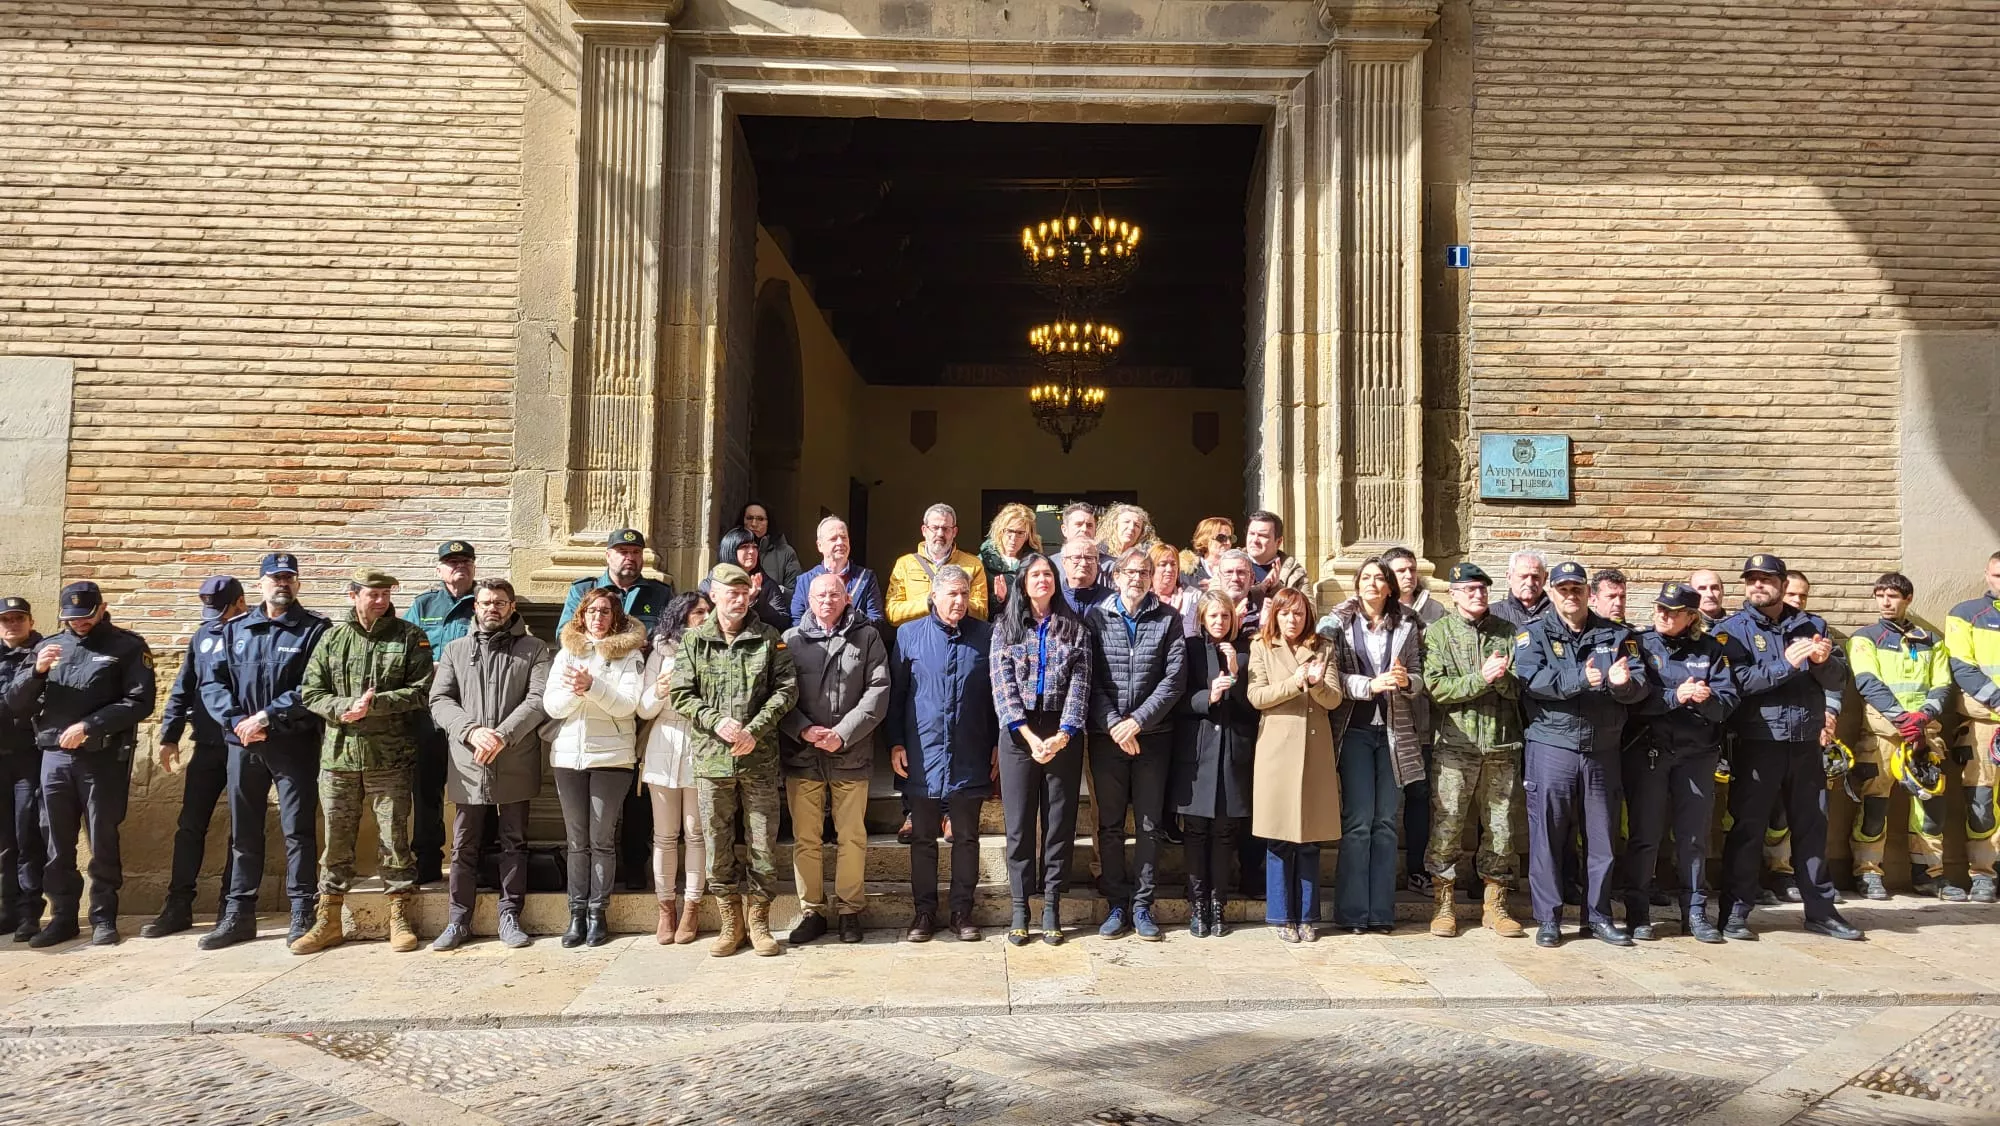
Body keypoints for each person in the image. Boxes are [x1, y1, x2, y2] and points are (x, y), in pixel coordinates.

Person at [1714, 553, 1863, 942]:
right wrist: (1787, 664)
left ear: (1783, 585)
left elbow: (1837, 679)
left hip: (1805, 744)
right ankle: (1735, 913)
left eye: (1766, 580)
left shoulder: (1812, 625)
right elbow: (1739, 682)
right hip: (1758, 743)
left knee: (1813, 829)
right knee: (1748, 830)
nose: (1757, 585)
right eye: (1751, 579)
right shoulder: (1731, 631)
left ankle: (1821, 912)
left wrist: (1823, 661)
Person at [291, 568, 436, 956]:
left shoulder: (409, 637)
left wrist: (376, 705)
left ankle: (399, 916)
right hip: (339, 757)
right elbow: (311, 692)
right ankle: (328, 919)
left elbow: (422, 690)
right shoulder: (332, 639)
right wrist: (344, 707)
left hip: (390, 757)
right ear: (353, 595)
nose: (381, 601)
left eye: (385, 594)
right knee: (336, 840)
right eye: (373, 594)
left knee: (394, 838)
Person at [5, 582, 155, 947]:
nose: (79, 623)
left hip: (100, 758)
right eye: (72, 618)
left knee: (102, 839)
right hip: (54, 758)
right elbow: (15, 703)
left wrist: (91, 725)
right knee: (55, 843)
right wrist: (36, 671)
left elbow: (140, 701)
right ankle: (63, 917)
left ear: (102, 608)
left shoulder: (127, 646)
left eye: (86, 616)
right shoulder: (47, 646)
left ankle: (103, 917)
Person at [197, 552, 329, 950]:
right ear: (261, 585)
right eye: (275, 578)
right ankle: (238, 914)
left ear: (298, 583)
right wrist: (237, 720)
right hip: (243, 744)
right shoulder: (235, 629)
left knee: (298, 830)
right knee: (244, 831)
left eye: (289, 578)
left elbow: (313, 686)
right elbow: (212, 683)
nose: (282, 584)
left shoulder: (315, 630)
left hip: (293, 744)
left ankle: (302, 910)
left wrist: (267, 716)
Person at [1515, 560, 1647, 948]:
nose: (1570, 596)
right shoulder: (1533, 634)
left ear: (1589, 593)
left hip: (1602, 748)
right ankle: (1548, 918)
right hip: (1551, 745)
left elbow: (1641, 683)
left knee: (1602, 838)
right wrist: (1580, 679)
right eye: (1563, 589)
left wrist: (1623, 685)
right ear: (1551, 593)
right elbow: (1530, 679)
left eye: (1577, 589)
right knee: (1548, 836)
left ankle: (1599, 917)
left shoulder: (1618, 635)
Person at [670, 563, 799, 958]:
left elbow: (786, 690)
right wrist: (716, 721)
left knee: (763, 843)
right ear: (714, 596)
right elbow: (681, 694)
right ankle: (731, 922)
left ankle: (759, 921)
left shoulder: (768, 638)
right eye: (732, 593)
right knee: (717, 843)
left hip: (758, 759)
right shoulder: (694, 641)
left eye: (745, 593)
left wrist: (753, 730)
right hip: (712, 761)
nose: (740, 600)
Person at [427, 578, 552, 951]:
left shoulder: (534, 649)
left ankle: (510, 915)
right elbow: (440, 700)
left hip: (514, 757)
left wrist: (502, 735)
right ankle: (457, 919)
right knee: (464, 844)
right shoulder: (455, 650)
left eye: (500, 602)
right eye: (486, 602)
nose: (492, 608)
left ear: (512, 607)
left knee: (515, 841)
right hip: (468, 762)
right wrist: (471, 731)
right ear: (475, 607)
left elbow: (538, 698)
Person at [1625, 583, 1738, 944]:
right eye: (1660, 608)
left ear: (1691, 617)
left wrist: (1706, 699)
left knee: (1693, 838)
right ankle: (1638, 913)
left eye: (1673, 612)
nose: (1663, 615)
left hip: (1697, 754)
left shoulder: (1710, 650)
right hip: (1650, 752)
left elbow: (1728, 702)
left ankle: (1695, 914)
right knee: (1645, 836)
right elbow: (1632, 699)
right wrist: (1676, 696)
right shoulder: (1639, 644)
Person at [781, 573, 890, 946]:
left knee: (852, 836)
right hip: (803, 754)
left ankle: (849, 909)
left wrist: (843, 733)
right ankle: (811, 910)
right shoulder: (791, 640)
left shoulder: (867, 637)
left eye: (834, 594)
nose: (827, 600)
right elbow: (778, 694)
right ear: (809, 601)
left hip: (850, 753)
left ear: (847, 599)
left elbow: (878, 690)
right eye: (820, 595)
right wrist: (803, 730)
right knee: (806, 838)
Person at [1320, 557, 1426, 935]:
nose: (1372, 583)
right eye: (1365, 577)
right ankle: (1352, 913)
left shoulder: (1408, 625)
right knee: (1358, 821)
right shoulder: (1339, 623)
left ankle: (1381, 912)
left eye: (1379, 578)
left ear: (1389, 587)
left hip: (1395, 734)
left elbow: (1419, 676)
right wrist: (1369, 686)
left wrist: (1406, 681)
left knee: (1385, 823)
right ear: (1357, 584)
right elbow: (1331, 674)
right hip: (1355, 731)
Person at [1085, 548, 1187, 942]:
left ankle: (1143, 904)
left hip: (1153, 738)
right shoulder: (1096, 618)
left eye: (1144, 572)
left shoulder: (1168, 619)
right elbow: (1089, 678)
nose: (1137, 578)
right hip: (1107, 738)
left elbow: (1174, 680)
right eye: (1130, 572)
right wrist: (1114, 723)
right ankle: (1116, 903)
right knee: (1109, 825)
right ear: (1115, 577)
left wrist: (1138, 722)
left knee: (1148, 825)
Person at [890, 564, 996, 942]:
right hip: (922, 754)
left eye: (964, 594)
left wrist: (997, 744)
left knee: (966, 838)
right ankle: (924, 913)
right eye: (952, 594)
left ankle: (962, 912)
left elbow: (996, 697)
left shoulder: (986, 636)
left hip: (970, 753)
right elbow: (897, 695)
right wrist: (895, 742)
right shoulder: (909, 635)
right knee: (923, 839)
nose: (959, 601)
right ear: (933, 596)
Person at [990, 552, 1091, 946]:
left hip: (1062, 732)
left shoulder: (1075, 628)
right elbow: (1002, 687)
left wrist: (1063, 734)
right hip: (1020, 735)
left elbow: (1081, 685)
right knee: (1018, 825)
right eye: (1035, 575)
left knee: (1059, 824)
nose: (1042, 580)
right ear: (1022, 582)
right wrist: (1030, 737)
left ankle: (1052, 905)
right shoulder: (1006, 628)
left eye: (1048, 574)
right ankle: (1020, 907)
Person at [1420, 563, 1525, 939]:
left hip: (1501, 744)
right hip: (1455, 746)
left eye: (1482, 589)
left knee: (1501, 827)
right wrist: (1481, 678)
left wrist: (1502, 679)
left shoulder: (1507, 632)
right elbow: (1436, 688)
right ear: (1453, 594)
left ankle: (1495, 905)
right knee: (1447, 825)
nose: (1477, 595)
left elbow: (1522, 688)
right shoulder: (1438, 633)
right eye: (1469, 589)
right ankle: (1443, 904)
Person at [142, 576, 244, 940]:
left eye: (222, 610)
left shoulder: (255, 634)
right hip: (206, 745)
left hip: (243, 746)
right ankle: (178, 905)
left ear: (240, 602)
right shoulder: (203, 636)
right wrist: (169, 736)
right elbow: (184, 687)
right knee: (190, 827)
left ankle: (231, 907)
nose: (216, 618)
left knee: (242, 830)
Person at [544, 585, 646, 948]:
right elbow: (552, 706)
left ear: (615, 617)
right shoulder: (566, 654)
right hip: (568, 758)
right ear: (581, 616)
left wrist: (592, 687)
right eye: (591, 611)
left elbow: (628, 705)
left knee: (601, 840)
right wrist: (579, 691)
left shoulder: (630, 656)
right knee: (576, 841)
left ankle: (597, 913)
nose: (598, 617)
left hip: (612, 759)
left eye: (605, 611)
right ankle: (575, 913)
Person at [1847, 571, 1957, 900]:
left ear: (1907, 599)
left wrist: (1923, 717)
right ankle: (1868, 872)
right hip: (1881, 735)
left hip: (1926, 735)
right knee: (1874, 805)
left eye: (1892, 596)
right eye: (1880, 595)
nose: (1885, 602)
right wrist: (1900, 718)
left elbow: (1942, 684)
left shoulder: (1932, 641)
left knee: (1930, 807)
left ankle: (1929, 875)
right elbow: (1868, 681)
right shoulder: (1864, 638)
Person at [1248, 587, 1344, 942]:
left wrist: (1316, 685)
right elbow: (1257, 696)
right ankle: (1280, 916)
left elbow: (1334, 699)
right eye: (1286, 613)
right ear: (1276, 615)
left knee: (1309, 838)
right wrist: (1295, 682)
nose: (1293, 619)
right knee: (1278, 837)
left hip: (1313, 750)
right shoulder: (1261, 646)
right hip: (1276, 751)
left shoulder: (1323, 648)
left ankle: (1307, 917)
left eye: (1299, 613)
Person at [1173, 589, 1257, 938]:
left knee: (1225, 832)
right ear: (1202, 618)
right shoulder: (1190, 649)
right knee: (1195, 831)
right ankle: (1197, 904)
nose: (1220, 622)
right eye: (1213, 616)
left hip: (1233, 754)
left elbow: (1254, 706)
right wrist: (1209, 696)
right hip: (1198, 753)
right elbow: (1177, 697)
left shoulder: (1246, 651)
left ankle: (1218, 903)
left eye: (1225, 616)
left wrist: (1235, 675)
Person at [636, 592, 713, 945]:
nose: (705, 616)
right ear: (682, 616)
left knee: (696, 832)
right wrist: (658, 690)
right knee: (665, 835)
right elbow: (643, 709)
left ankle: (692, 907)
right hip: (664, 740)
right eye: (698, 612)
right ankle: (666, 909)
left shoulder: (716, 649)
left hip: (701, 740)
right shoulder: (661, 652)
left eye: (708, 611)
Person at [403, 539, 479, 885]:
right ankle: (428, 859)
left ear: (474, 567)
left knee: (477, 787)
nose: (458, 567)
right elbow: (405, 650)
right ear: (439, 569)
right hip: (430, 709)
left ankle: (477, 859)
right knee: (427, 787)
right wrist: (431, 668)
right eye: (451, 562)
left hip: (473, 709)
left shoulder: (484, 601)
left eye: (465, 561)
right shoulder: (424, 605)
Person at [1383, 546, 1441, 897]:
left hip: (1422, 717)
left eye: (1411, 569)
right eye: (1400, 570)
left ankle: (1418, 870)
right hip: (1387, 718)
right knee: (1386, 800)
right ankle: (1382, 873)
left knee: (1420, 796)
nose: (1408, 575)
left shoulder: (1435, 610)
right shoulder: (1376, 608)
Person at [1944, 550, 2000, 905]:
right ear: (1986, 575)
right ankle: (1984, 874)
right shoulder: (1965, 614)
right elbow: (1962, 666)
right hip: (1984, 723)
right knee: (1981, 801)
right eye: (1998, 575)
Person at [0, 596, 45, 942]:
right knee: (4, 841)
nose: (12, 624)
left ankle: (30, 912)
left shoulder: (44, 653)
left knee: (27, 834)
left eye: (19, 618)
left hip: (28, 756)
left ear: (31, 621)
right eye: (6, 619)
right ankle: (8, 911)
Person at [885, 503, 990, 627]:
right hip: (919, 635)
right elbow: (892, 614)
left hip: (959, 635)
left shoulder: (973, 565)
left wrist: (952, 602)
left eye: (946, 529)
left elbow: (982, 613)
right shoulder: (905, 564)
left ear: (954, 532)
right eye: (935, 528)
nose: (940, 533)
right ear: (924, 530)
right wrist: (929, 602)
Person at [558, 528, 677, 632]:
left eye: (636, 552)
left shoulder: (660, 593)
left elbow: (674, 634)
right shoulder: (584, 590)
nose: (630, 557)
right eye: (623, 552)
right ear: (608, 556)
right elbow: (565, 633)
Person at [792, 515, 886, 628]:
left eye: (844, 537)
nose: (840, 542)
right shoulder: (805, 581)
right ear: (819, 545)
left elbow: (877, 622)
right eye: (833, 538)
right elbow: (797, 623)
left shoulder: (866, 578)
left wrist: (851, 615)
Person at [717, 525, 792, 630]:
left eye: (755, 547)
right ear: (730, 550)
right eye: (745, 546)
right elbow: (707, 618)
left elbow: (782, 622)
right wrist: (747, 599)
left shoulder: (766, 583)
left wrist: (755, 602)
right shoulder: (714, 582)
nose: (752, 551)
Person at [731, 501, 803, 609]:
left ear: (769, 523)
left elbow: (797, 594)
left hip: (773, 614)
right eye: (749, 518)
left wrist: (770, 591)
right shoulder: (730, 548)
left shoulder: (786, 553)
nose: (754, 524)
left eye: (760, 519)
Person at [1183, 549, 1264, 642]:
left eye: (1241, 572)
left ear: (1252, 578)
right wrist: (1231, 624)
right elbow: (1190, 638)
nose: (1235, 578)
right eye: (1229, 572)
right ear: (1219, 577)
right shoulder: (1204, 604)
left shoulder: (1264, 607)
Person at [978, 503, 1041, 609]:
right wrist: (998, 599)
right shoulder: (981, 562)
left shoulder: (1036, 563)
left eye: (1020, 533)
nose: (1013, 538)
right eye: (1010, 531)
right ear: (1000, 531)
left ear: (1028, 536)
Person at [1243, 510, 1310, 597]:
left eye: (1262, 535)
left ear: (1278, 542)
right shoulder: (1230, 565)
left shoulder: (1294, 572)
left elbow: (1308, 605)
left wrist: (1278, 588)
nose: (1255, 540)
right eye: (1251, 534)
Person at [1491, 549, 1551, 628]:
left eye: (1535, 577)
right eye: (1523, 576)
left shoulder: (1560, 614)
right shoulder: (1492, 614)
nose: (1529, 583)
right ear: (1509, 577)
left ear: (1545, 578)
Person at [1060, 534, 1111, 616]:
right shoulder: (1052, 599)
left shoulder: (1112, 601)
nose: (1083, 563)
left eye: (1089, 558)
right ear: (1064, 563)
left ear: (1097, 562)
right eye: (1076, 557)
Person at [1150, 542, 1197, 619]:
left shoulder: (1192, 596)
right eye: (1163, 564)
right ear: (1151, 569)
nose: (1169, 569)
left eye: (1173, 564)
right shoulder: (1141, 598)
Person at [1185, 517, 1235, 590]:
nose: (1228, 542)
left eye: (1230, 538)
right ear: (1205, 539)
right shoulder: (1188, 570)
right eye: (1221, 538)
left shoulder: (1238, 568)